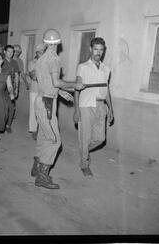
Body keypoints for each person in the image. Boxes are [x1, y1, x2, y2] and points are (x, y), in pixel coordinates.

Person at [31, 28, 85, 189]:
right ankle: (42, 177)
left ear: (46, 42)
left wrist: (60, 92)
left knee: (43, 136)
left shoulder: (41, 58)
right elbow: (56, 82)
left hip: (41, 99)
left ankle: (36, 167)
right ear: (58, 43)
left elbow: (46, 81)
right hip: (47, 103)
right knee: (54, 140)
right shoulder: (54, 59)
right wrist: (76, 85)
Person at [73, 37, 114, 177]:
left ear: (103, 51)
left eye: (101, 50)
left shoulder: (106, 69)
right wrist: (76, 110)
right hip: (86, 105)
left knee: (100, 138)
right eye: (96, 49)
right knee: (86, 137)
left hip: (101, 106)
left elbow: (106, 89)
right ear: (91, 49)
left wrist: (111, 109)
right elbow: (77, 89)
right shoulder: (82, 67)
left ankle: (84, 151)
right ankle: (84, 164)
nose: (98, 52)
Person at [27, 43, 47, 140]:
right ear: (37, 52)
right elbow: (33, 77)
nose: (41, 53)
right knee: (33, 110)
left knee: (43, 111)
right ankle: (34, 130)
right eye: (40, 52)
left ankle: (41, 130)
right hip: (34, 90)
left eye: (43, 51)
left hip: (46, 90)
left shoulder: (48, 62)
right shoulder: (32, 63)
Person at [2, 45, 19, 133]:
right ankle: (0, 125)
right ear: (4, 52)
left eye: (12, 52)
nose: (10, 53)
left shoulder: (14, 62)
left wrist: (17, 89)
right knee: (2, 107)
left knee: (11, 107)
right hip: (1, 87)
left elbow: (16, 75)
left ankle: (8, 125)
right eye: (8, 51)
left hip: (11, 87)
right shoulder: (0, 61)